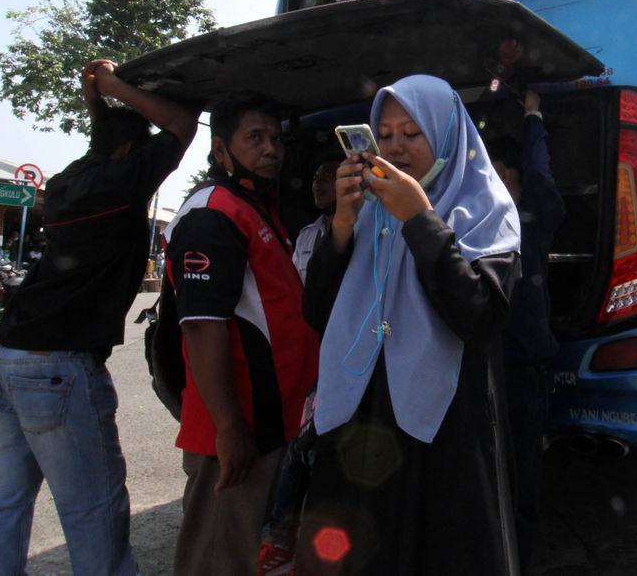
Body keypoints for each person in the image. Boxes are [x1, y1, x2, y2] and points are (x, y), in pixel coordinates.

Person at [0, 58, 197, 576]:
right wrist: (114, 85)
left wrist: (96, 95)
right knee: (92, 508)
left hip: (5, 353)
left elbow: (109, 138)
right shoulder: (121, 183)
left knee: (2, 501)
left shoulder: (70, 180)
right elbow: (182, 126)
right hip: (59, 364)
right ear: (128, 153)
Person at [295, 74, 522, 575]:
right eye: (386, 133)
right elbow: (318, 313)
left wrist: (421, 219)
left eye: (412, 133)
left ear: (445, 136)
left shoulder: (485, 211)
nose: (396, 147)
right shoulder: (367, 211)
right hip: (360, 418)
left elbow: (480, 316)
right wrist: (341, 225)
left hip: (441, 429)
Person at [162, 90, 319, 576]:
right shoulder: (213, 212)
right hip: (235, 427)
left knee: (240, 549)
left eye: (275, 139)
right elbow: (203, 328)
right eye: (255, 138)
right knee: (215, 556)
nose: (270, 149)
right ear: (220, 150)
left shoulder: (254, 208)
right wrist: (229, 428)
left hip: (268, 421)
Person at [486, 90, 565, 574]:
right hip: (482, 367)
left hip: (523, 369)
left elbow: (538, 174)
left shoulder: (531, 222)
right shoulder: (470, 228)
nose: (494, 186)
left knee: (521, 482)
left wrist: (533, 115)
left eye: (503, 177)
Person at [293, 156, 341, 284]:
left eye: (326, 178)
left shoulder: (361, 229)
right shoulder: (306, 235)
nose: (317, 184)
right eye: (315, 179)